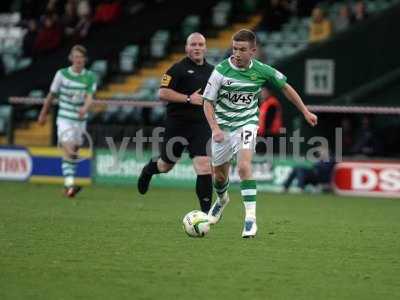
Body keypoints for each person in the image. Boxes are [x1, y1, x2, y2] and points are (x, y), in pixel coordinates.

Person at [203, 29, 317, 238]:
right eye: (234, 48)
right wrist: (215, 129)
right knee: (219, 178)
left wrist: (305, 111)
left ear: (253, 51)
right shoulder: (220, 70)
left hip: (246, 124)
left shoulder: (262, 70)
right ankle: (222, 200)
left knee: (244, 166)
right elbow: (207, 102)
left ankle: (250, 220)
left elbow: (285, 87)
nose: (236, 53)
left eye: (242, 49)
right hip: (222, 128)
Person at [137, 33, 214, 213]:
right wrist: (188, 98)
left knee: (204, 165)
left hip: (201, 125)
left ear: (205, 48)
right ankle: (148, 171)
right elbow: (162, 93)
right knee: (166, 165)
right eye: (193, 44)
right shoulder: (177, 69)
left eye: (200, 44)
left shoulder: (212, 71)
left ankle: (205, 216)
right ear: (187, 48)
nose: (197, 48)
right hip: (177, 124)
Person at [38, 45, 97, 197]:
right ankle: (70, 184)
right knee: (69, 149)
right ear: (71, 58)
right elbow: (51, 95)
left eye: (80, 57)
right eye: (75, 57)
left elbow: (90, 97)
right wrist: (43, 113)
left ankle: (68, 186)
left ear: (85, 59)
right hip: (64, 118)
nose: (78, 60)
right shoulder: (61, 74)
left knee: (74, 152)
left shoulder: (90, 76)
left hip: (80, 120)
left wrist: (85, 107)